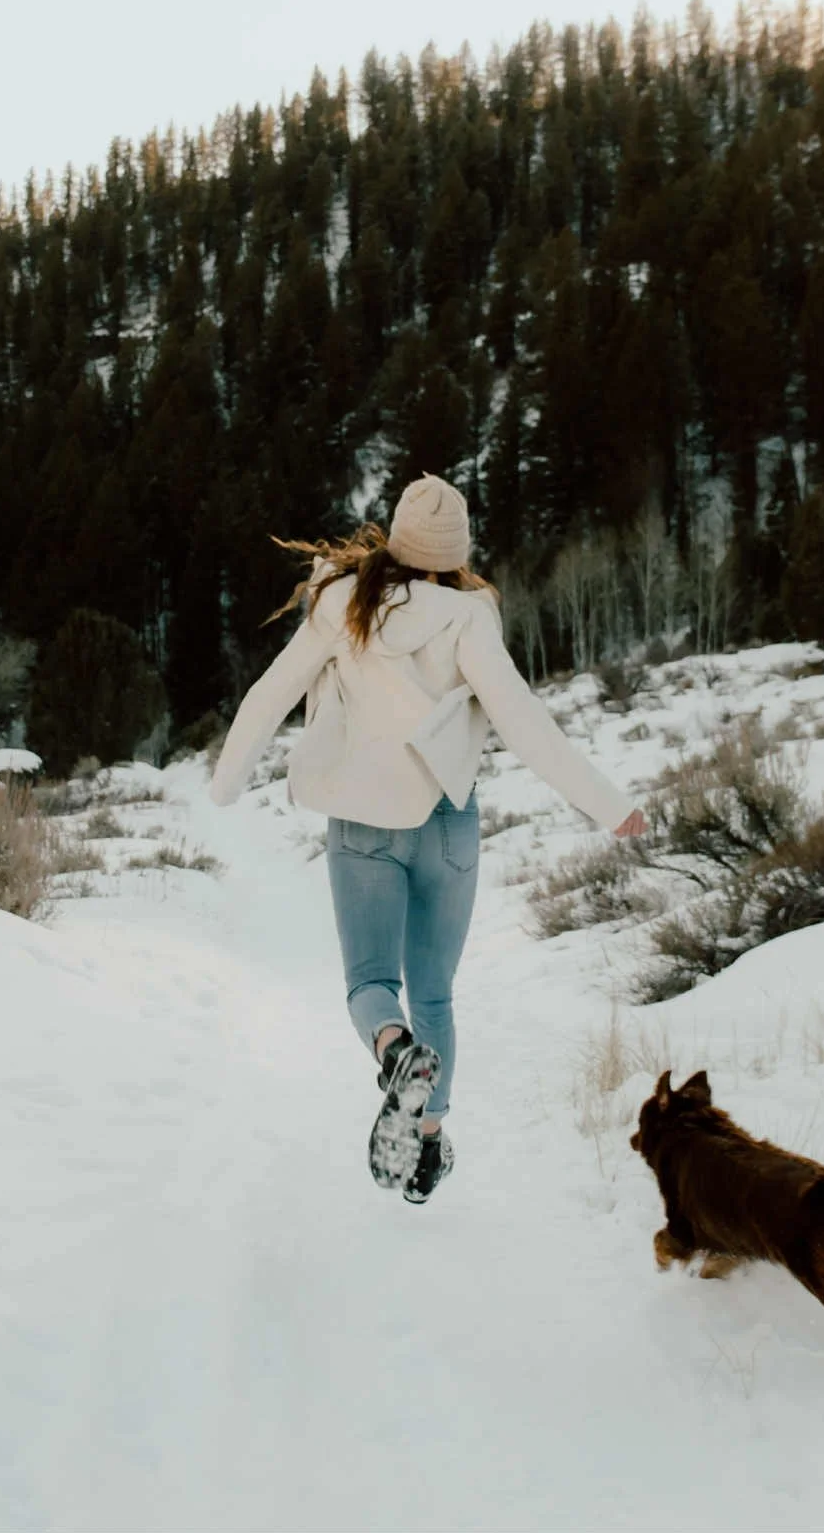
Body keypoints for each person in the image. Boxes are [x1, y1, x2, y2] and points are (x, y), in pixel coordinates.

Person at [209, 475, 646, 1203]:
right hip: (446, 819)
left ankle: (393, 1051)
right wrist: (608, 805)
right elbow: (525, 723)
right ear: (456, 551)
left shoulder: (340, 604)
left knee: (372, 985)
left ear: (396, 534)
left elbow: (268, 696)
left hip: (362, 825)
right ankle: (427, 1148)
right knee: (435, 991)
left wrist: (225, 784)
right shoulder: (469, 616)